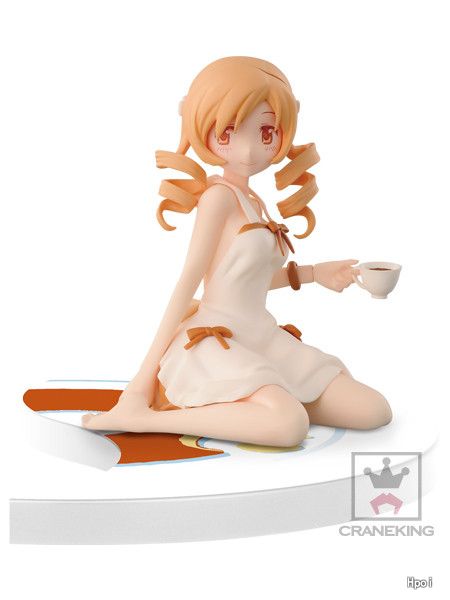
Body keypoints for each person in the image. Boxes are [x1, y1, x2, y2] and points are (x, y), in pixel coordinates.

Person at [82, 56, 392, 446]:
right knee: (289, 426)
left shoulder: (255, 202)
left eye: (266, 132)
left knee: (373, 410)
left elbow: (248, 279)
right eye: (228, 132)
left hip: (261, 336)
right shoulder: (218, 198)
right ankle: (151, 419)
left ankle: (267, 404)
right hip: (219, 340)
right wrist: (138, 387)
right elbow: (187, 283)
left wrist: (315, 273)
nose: (247, 149)